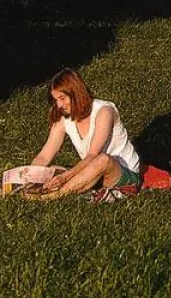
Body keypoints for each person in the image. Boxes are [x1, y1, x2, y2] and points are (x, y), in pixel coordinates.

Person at [30, 68, 142, 201]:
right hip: (94, 174)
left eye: (62, 98)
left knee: (103, 160)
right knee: (51, 170)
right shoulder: (64, 119)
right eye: (55, 100)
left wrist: (65, 178)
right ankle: (39, 191)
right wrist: (30, 177)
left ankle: (52, 197)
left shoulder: (104, 111)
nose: (59, 105)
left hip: (121, 173)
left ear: (75, 93)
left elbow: (93, 155)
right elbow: (44, 156)